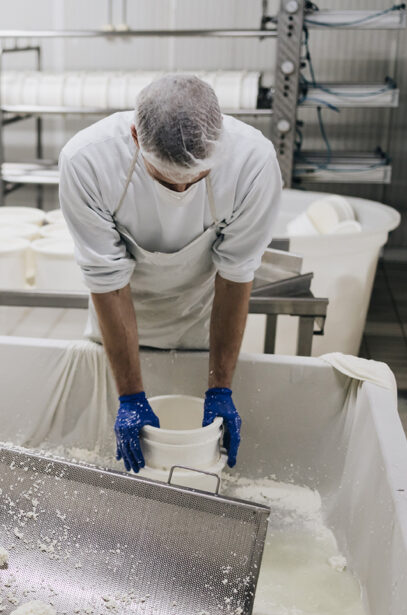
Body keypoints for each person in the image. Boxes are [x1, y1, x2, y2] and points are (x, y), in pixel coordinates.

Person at [58, 75, 282, 474]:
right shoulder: (87, 161)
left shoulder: (253, 163)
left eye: (197, 178)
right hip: (119, 324)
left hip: (202, 319)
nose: (182, 192)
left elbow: (235, 276)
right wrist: (129, 396)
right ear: (134, 137)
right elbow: (107, 282)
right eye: (165, 180)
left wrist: (220, 387)